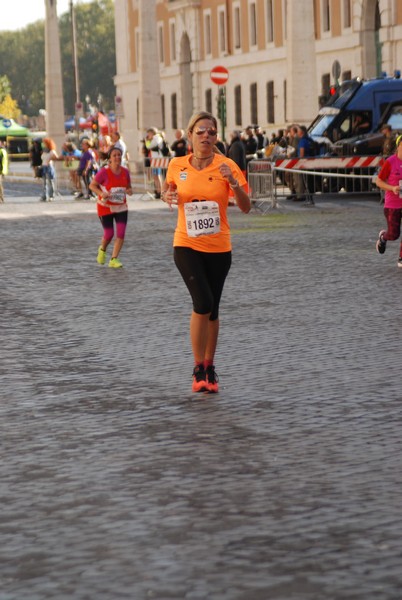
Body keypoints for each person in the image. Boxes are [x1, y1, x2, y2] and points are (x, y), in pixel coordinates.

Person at [161, 111, 251, 394]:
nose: (206, 136)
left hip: (219, 246)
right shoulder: (176, 164)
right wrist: (166, 195)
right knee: (203, 302)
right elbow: (167, 190)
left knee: (213, 309)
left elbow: (247, 206)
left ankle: (210, 368)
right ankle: (198, 366)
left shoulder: (227, 166)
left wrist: (233, 183)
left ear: (216, 137)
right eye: (200, 131)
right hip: (186, 244)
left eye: (211, 132)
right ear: (190, 135)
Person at [89, 146, 133, 268]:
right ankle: (102, 250)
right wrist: (101, 193)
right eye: (114, 155)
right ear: (109, 159)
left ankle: (114, 259)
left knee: (121, 233)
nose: (117, 157)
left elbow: (128, 187)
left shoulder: (125, 172)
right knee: (109, 234)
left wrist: (129, 191)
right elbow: (92, 186)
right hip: (105, 206)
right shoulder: (104, 172)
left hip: (121, 207)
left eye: (119, 155)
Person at [375, 134, 402, 268]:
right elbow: (379, 181)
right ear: (398, 147)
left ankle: (401, 258)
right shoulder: (391, 162)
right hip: (392, 204)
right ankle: (383, 237)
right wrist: (392, 188)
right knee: (394, 234)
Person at [40, 137, 58, 202]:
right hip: (44, 166)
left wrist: (50, 159)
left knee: (51, 181)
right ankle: (44, 196)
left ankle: (52, 195)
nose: (43, 144)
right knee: (44, 182)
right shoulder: (44, 151)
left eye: (44, 142)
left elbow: (56, 157)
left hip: (49, 166)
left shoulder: (52, 151)